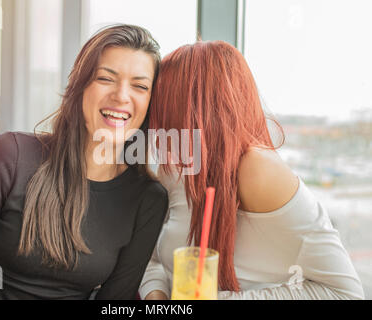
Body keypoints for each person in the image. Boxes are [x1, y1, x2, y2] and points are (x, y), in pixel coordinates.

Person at [0, 24, 168, 300]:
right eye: (105, 78)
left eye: (140, 86)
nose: (122, 95)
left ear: (150, 103)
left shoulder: (148, 199)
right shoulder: (11, 155)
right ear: (80, 85)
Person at [140, 40, 365, 300]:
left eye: (163, 102)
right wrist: (155, 295)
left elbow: (346, 293)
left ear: (195, 109)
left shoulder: (258, 171)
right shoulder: (178, 167)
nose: (154, 117)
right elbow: (155, 257)